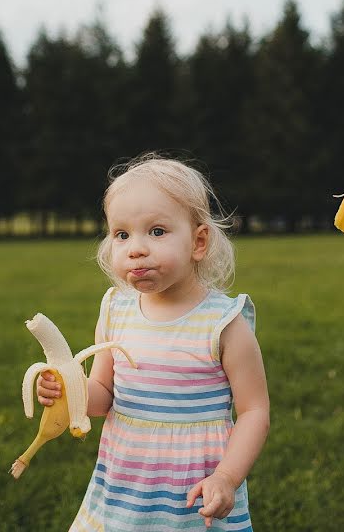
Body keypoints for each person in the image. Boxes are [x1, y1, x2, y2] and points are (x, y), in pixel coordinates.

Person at [38, 154, 269, 531]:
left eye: (157, 232)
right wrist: (71, 389)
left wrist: (227, 478)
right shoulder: (116, 310)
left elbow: (255, 411)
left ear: (198, 241)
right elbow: (103, 395)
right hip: (124, 492)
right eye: (122, 234)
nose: (136, 248)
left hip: (194, 495)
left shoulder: (224, 324)